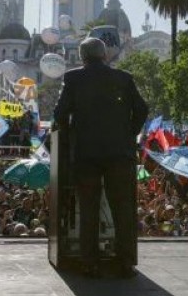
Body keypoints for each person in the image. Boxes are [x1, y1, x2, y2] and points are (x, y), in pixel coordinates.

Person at [53, 37, 148, 278]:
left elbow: (60, 113)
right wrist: (129, 133)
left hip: (86, 154)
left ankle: (90, 263)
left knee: (89, 209)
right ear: (104, 55)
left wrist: (69, 135)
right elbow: (142, 109)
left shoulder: (73, 78)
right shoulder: (123, 78)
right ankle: (125, 262)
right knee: (123, 208)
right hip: (120, 154)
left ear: (82, 57)